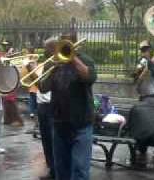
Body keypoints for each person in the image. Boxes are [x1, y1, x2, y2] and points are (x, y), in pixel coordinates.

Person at [39, 34, 97, 180]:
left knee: (80, 170)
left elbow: (89, 77)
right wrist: (41, 69)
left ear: (74, 44)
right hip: (59, 124)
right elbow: (43, 87)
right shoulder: (53, 62)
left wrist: (73, 58)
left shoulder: (85, 60)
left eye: (68, 44)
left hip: (81, 123)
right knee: (61, 170)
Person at [131, 40, 154, 168]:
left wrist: (149, 62)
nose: (144, 52)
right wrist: (136, 73)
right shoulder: (141, 61)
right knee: (143, 126)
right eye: (142, 50)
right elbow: (135, 79)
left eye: (146, 49)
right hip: (144, 97)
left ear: (151, 49)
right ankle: (141, 150)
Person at [37, 37, 58, 180]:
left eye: (47, 48)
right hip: (42, 105)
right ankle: (51, 169)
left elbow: (43, 87)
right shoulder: (47, 63)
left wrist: (32, 69)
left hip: (51, 105)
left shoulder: (57, 63)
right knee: (46, 140)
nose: (44, 50)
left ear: (54, 48)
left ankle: (56, 170)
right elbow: (41, 86)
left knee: (53, 140)